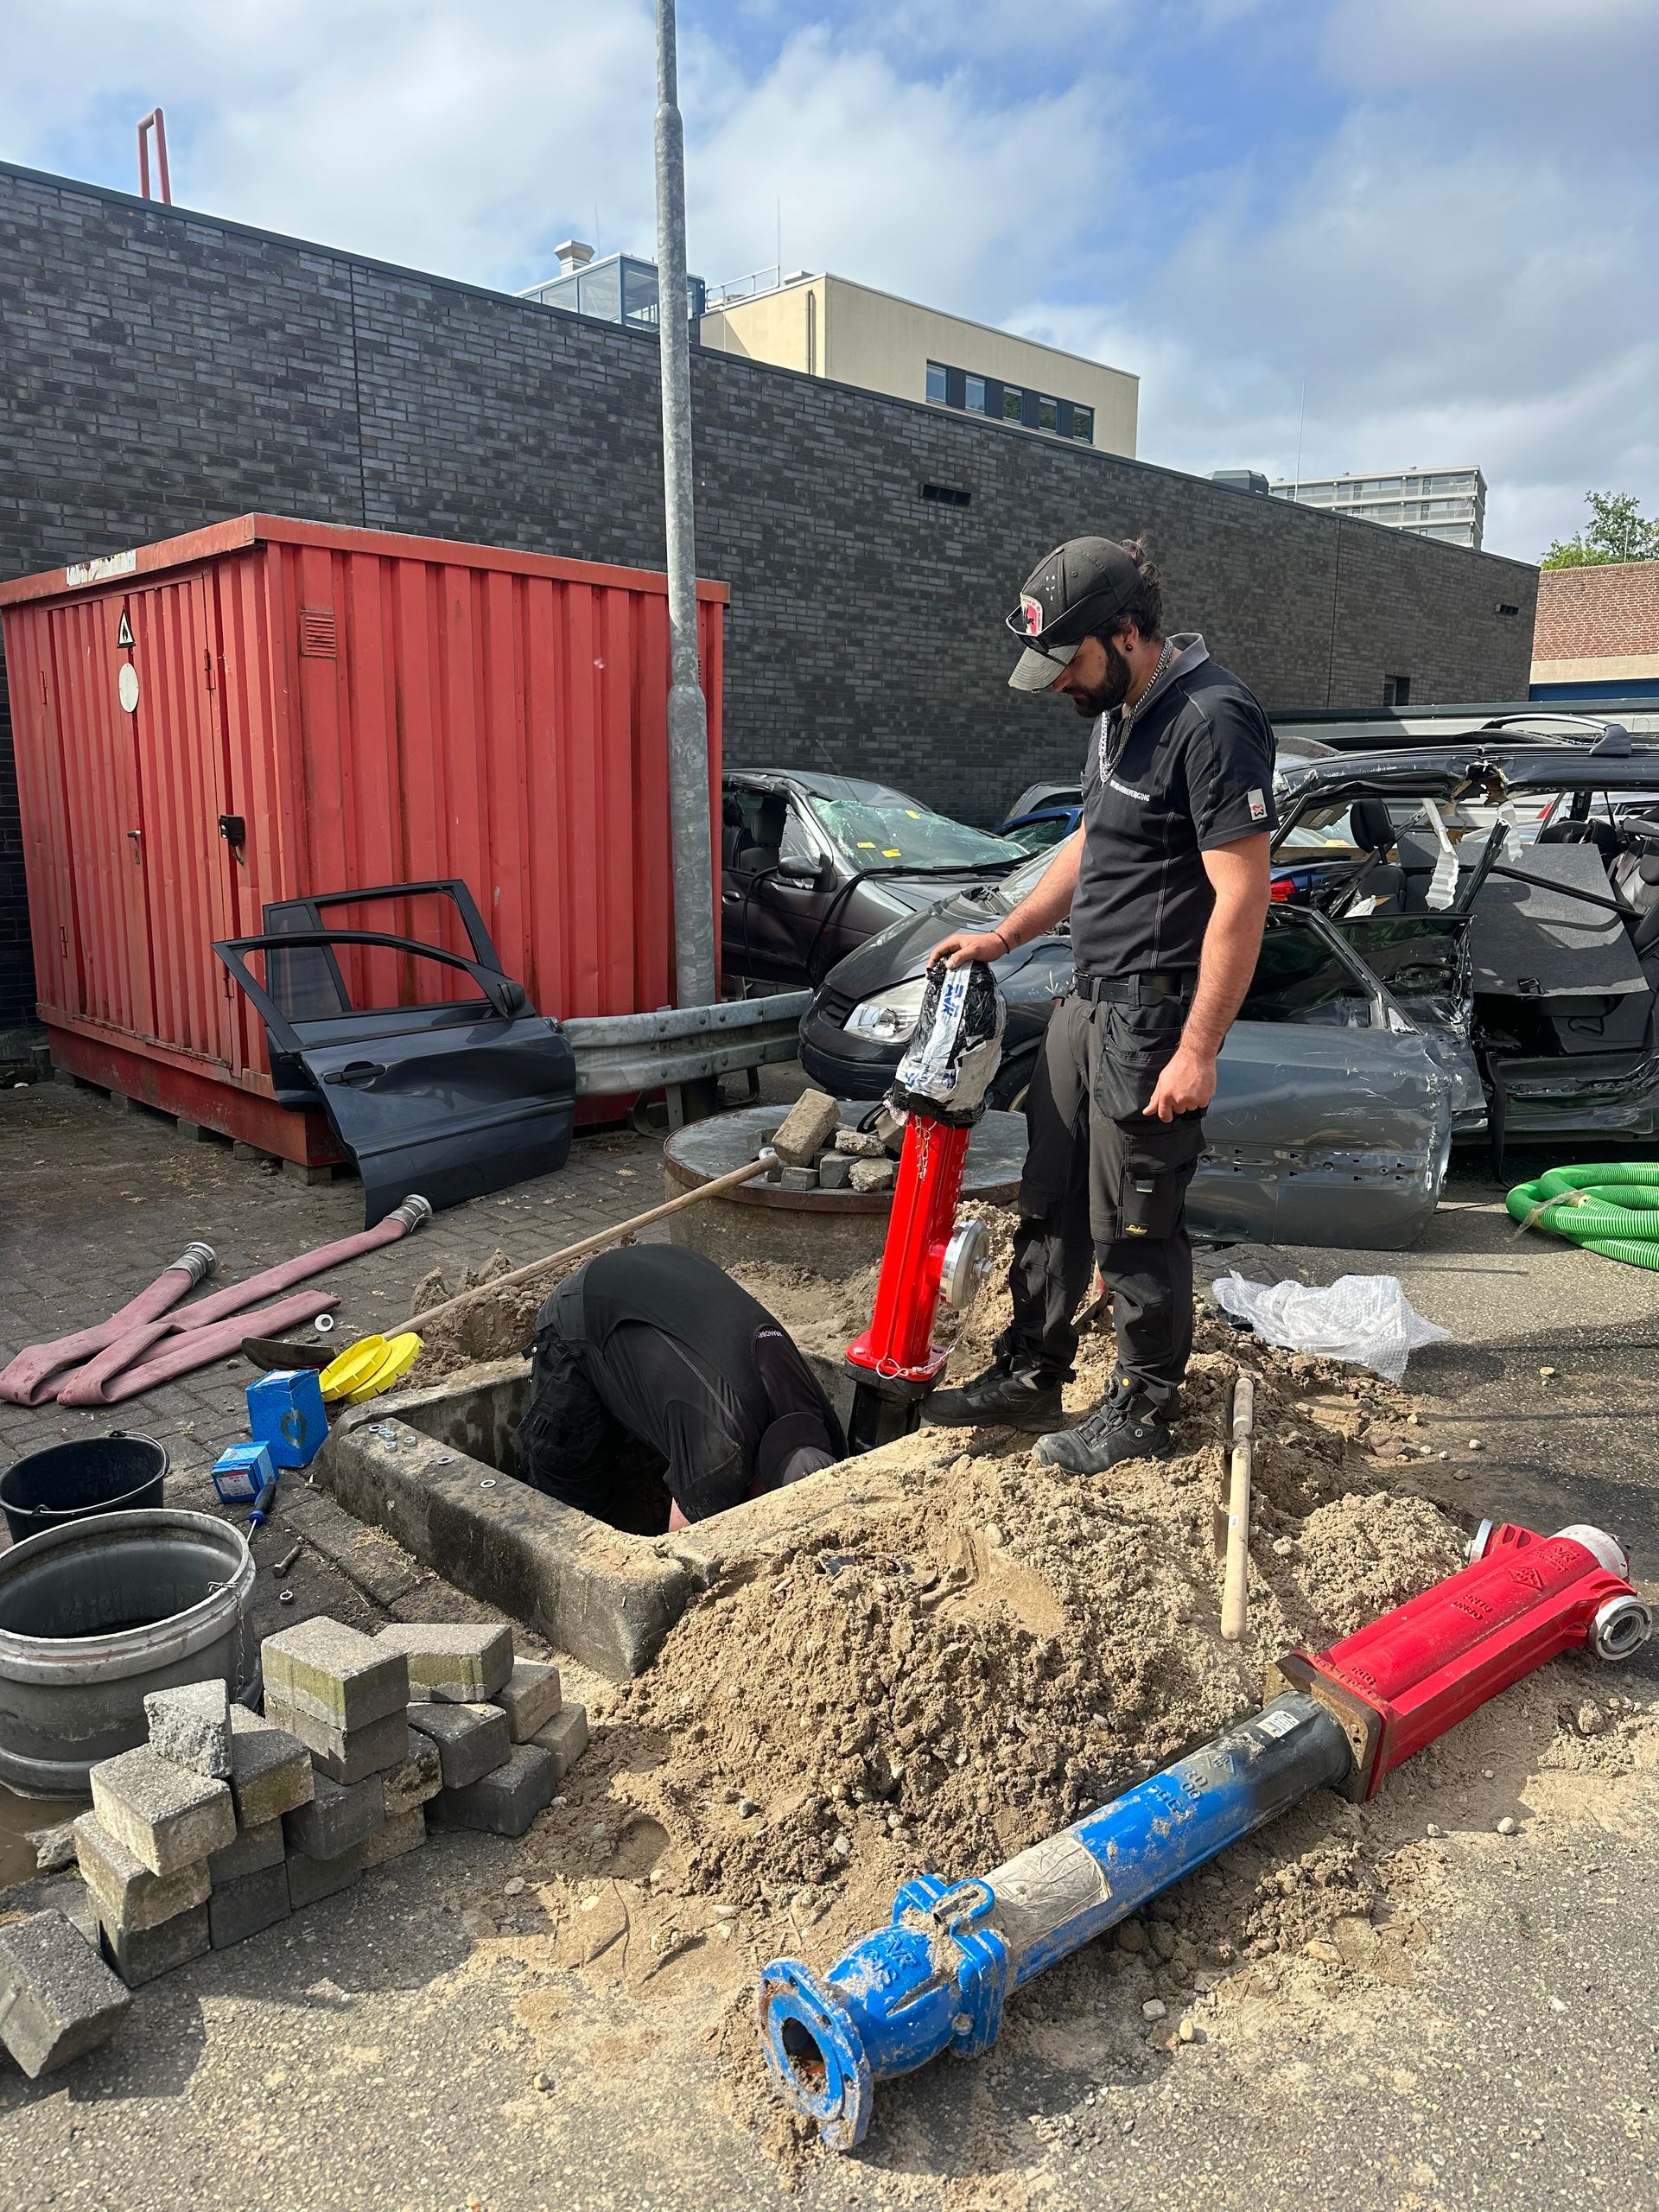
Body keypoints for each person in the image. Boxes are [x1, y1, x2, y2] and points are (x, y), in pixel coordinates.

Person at [926, 535, 1274, 1475]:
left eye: (1067, 660)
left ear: (1127, 631)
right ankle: (1031, 1372)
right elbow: (1091, 842)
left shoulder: (1212, 718)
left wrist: (1198, 1049)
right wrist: (1006, 932)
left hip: (1154, 1018)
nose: (1054, 684)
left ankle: (1142, 1407)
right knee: (1049, 1201)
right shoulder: (1116, 714)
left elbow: (1243, 897)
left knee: (1136, 1217)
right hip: (1087, 1002)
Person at [516, 1245, 845, 1532]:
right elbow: (683, 1547)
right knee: (571, 1493)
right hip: (586, 1307)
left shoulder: (826, 1428)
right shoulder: (721, 1451)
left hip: (671, 1273)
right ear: (763, 1487)